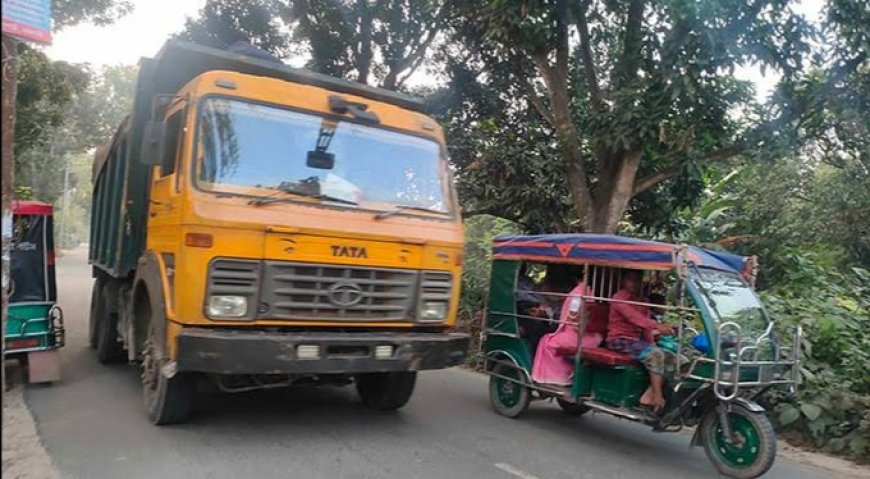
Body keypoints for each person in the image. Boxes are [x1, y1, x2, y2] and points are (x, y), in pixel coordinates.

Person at [606, 270, 675, 412]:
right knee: (656, 355)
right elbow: (635, 318)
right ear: (623, 281)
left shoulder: (643, 301)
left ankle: (648, 395)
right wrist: (657, 326)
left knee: (676, 359)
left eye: (637, 280)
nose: (634, 283)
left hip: (637, 341)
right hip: (619, 339)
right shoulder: (618, 298)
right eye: (630, 279)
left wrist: (652, 343)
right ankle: (657, 397)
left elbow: (646, 329)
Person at [531, 277, 602, 386]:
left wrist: (571, 318)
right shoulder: (592, 292)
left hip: (579, 336)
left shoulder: (578, 293)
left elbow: (573, 314)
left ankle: (560, 377)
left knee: (546, 341)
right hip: (595, 336)